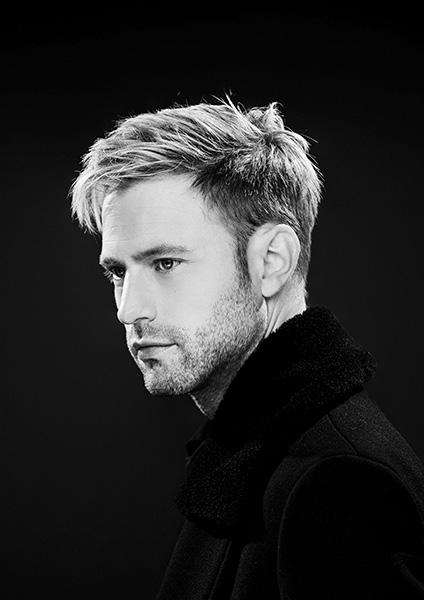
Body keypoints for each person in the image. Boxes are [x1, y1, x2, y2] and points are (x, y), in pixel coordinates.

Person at [70, 98, 424, 598]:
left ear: (272, 261)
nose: (128, 311)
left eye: (166, 263)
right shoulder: (258, 457)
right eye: (118, 273)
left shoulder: (339, 484)